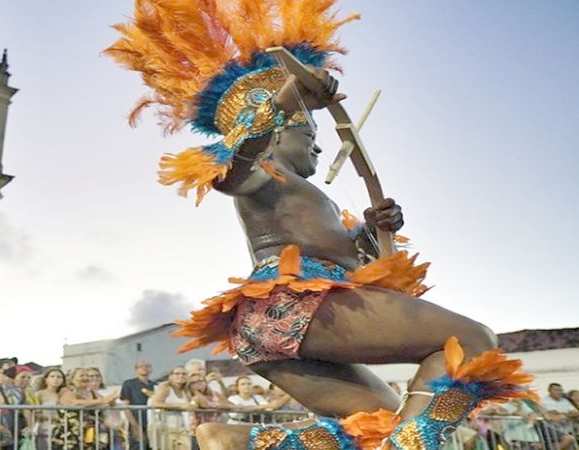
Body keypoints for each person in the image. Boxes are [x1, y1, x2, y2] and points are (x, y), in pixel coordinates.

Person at [105, 1, 535, 449]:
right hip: (291, 303)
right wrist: (289, 96)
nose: (317, 148)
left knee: (382, 420)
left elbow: (363, 270)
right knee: (472, 338)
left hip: (271, 324)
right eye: (310, 134)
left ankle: (237, 441)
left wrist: (372, 231)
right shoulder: (259, 172)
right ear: (278, 131)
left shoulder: (300, 191)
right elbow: (233, 167)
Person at [53, 368, 119, 450]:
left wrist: (112, 400)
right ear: (72, 379)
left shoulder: (92, 392)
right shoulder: (67, 391)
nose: (85, 378)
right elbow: (74, 403)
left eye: (87, 375)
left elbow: (106, 402)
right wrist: (102, 401)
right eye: (82, 375)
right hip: (72, 433)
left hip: (92, 433)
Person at [148, 367, 192, 450]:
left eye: (184, 374)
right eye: (177, 373)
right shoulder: (165, 387)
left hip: (181, 427)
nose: (181, 376)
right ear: (171, 376)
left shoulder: (185, 391)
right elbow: (155, 403)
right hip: (165, 427)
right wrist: (179, 406)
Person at [120, 361, 156, 450]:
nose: (144, 368)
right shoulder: (129, 384)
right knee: (138, 446)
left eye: (147, 366)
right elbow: (125, 405)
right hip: (136, 422)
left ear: (151, 369)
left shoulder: (155, 385)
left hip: (152, 423)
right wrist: (135, 426)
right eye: (141, 366)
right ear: (136, 370)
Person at [35, 368, 66, 450]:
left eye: (59, 377)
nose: (56, 379)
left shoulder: (64, 394)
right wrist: (56, 418)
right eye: (52, 376)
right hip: (44, 428)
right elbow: (36, 413)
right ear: (46, 379)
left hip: (61, 430)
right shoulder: (40, 394)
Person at [540, 383, 577, 449]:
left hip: (567, 430)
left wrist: (561, 414)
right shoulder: (543, 401)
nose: (559, 392)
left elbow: (576, 413)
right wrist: (566, 414)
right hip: (552, 431)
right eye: (556, 390)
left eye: (560, 390)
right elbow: (547, 415)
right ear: (549, 390)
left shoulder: (565, 401)